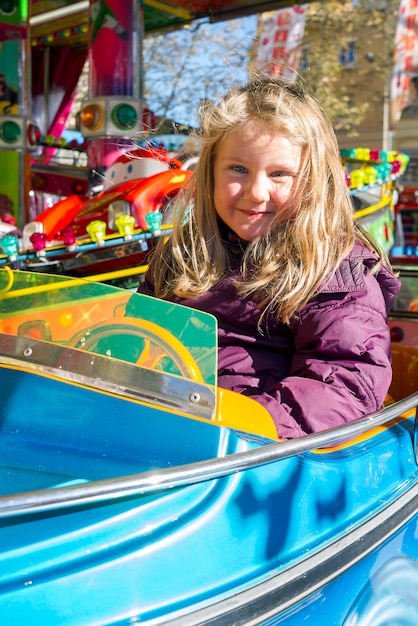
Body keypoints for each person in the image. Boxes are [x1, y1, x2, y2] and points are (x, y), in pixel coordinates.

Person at [138, 77, 401, 439]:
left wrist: (249, 430)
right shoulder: (181, 256)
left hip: (256, 453)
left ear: (312, 182)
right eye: (238, 170)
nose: (256, 192)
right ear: (211, 171)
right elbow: (137, 338)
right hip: (163, 428)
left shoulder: (335, 273)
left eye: (280, 174)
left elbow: (345, 380)